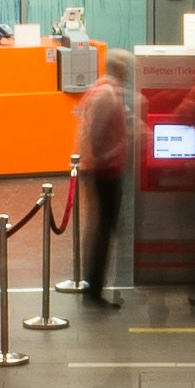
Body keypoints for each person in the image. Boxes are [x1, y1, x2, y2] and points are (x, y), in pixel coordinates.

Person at [71, 49, 143, 311]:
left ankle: (95, 284)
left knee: (101, 227)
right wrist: (121, 145)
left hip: (103, 169)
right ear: (121, 69)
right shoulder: (107, 95)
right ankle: (94, 288)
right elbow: (96, 135)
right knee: (103, 229)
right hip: (104, 171)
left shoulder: (103, 89)